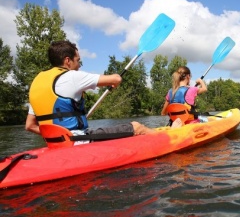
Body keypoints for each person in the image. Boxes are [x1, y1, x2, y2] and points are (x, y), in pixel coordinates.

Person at [26, 40, 181, 143]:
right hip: (77, 141)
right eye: (78, 60)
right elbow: (116, 79)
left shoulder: (37, 84)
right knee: (136, 126)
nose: (79, 64)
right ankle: (171, 137)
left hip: (56, 144)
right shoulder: (71, 76)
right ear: (67, 61)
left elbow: (30, 125)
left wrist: (58, 137)